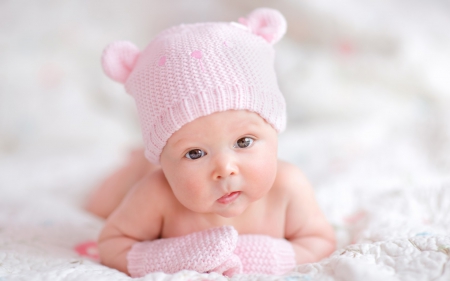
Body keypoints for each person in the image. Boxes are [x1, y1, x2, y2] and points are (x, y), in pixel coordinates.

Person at [86, 7, 336, 277]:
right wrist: (175, 258)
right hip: (144, 176)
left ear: (274, 132)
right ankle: (135, 163)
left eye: (243, 142)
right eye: (195, 153)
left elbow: (320, 241)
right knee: (100, 206)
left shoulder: (288, 187)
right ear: (163, 159)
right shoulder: (157, 195)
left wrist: (257, 257)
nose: (225, 168)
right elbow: (112, 244)